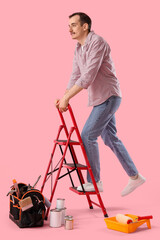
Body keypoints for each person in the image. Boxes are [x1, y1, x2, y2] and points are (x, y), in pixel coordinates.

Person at [55, 12, 145, 196]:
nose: (69, 29)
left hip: (109, 96)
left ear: (85, 26)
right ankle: (135, 177)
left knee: (87, 135)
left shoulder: (98, 42)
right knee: (110, 138)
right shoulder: (79, 48)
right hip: (100, 99)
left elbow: (88, 76)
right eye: (69, 25)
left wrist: (67, 98)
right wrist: (64, 96)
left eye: (73, 25)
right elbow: (76, 74)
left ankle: (94, 182)